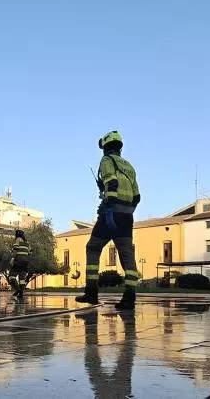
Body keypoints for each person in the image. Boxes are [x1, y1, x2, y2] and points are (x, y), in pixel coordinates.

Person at [76, 131, 141, 310]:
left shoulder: (106, 161)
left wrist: (108, 202)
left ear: (105, 147)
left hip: (111, 214)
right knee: (127, 254)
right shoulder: (129, 166)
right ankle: (129, 297)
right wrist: (125, 210)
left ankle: (91, 293)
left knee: (93, 247)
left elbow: (111, 183)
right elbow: (137, 196)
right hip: (127, 216)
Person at [10, 229, 31, 300]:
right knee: (22, 279)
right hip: (25, 262)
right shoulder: (27, 243)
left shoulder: (17, 240)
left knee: (11, 276)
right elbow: (30, 253)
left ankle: (18, 290)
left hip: (18, 261)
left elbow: (15, 250)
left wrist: (13, 259)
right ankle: (21, 293)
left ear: (16, 235)